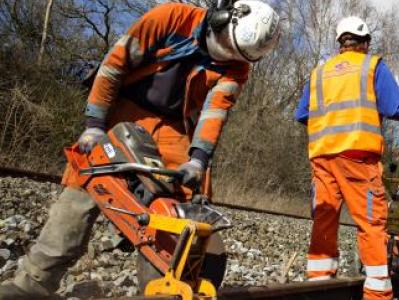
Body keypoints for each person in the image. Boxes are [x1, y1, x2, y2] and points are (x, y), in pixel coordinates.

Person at [0, 1, 279, 298]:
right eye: (226, 44)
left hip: (174, 128)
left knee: (177, 206)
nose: (226, 53)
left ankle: (163, 290)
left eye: (235, 52)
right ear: (221, 16)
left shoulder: (237, 67)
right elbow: (114, 65)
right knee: (85, 185)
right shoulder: (170, 18)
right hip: (125, 109)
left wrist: (198, 160)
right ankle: (33, 282)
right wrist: (95, 124)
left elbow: (215, 112)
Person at [294, 16, 399, 300]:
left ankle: (319, 286)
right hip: (357, 158)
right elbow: (393, 107)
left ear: (340, 43)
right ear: (365, 42)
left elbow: (302, 114)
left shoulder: (319, 73)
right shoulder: (372, 65)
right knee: (370, 223)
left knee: (324, 218)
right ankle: (377, 293)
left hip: (322, 158)